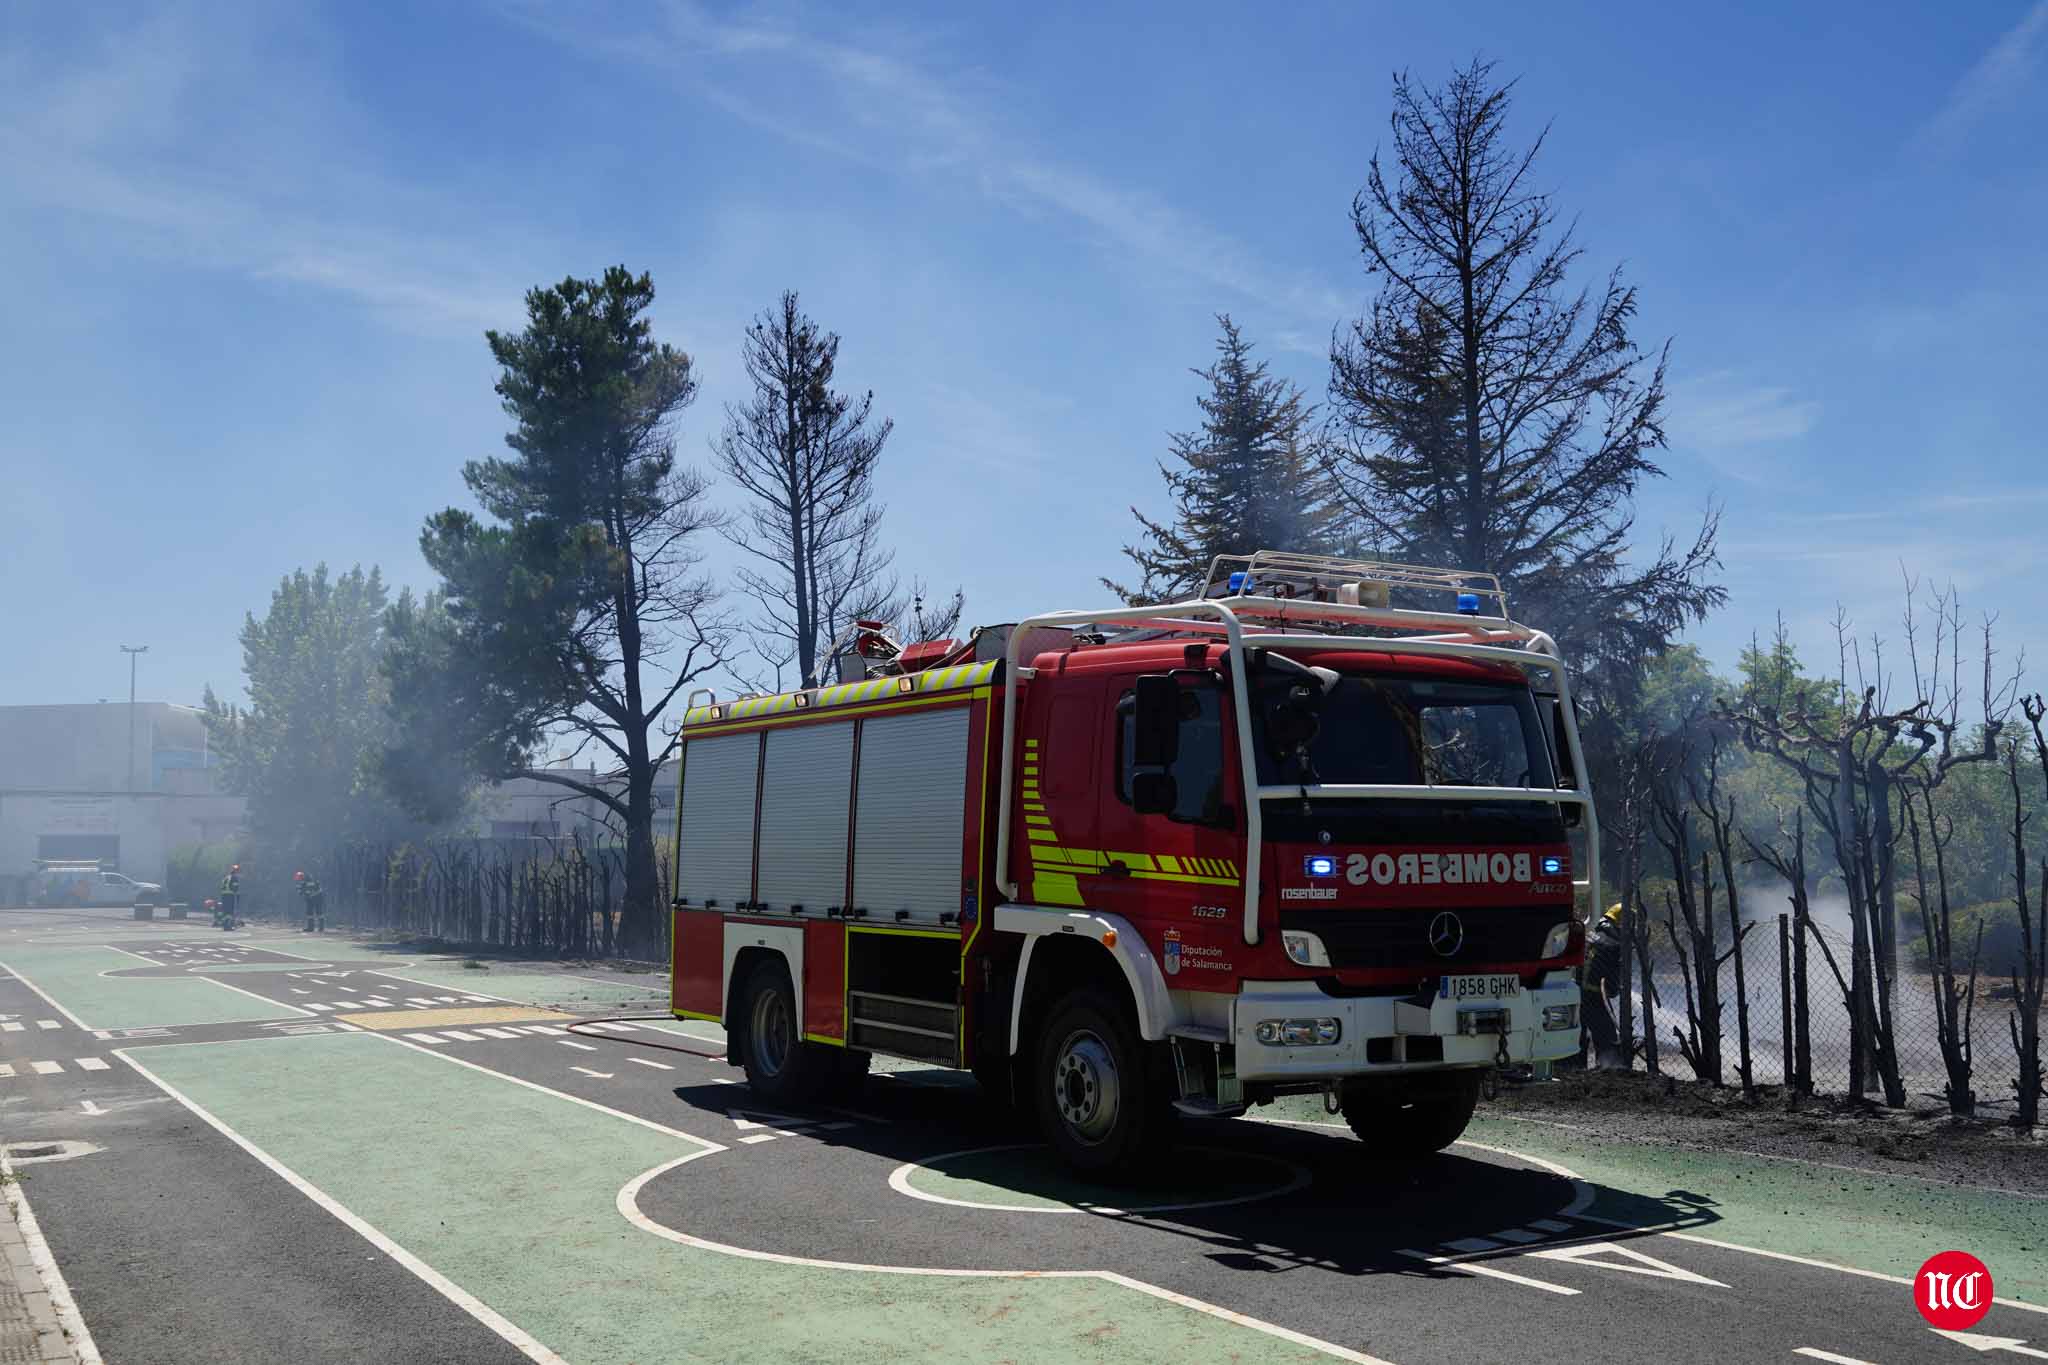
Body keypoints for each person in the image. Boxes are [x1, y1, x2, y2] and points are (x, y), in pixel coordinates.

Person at [1580, 901, 1626, 1068]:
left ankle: (1575, 1070)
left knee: (1579, 1034)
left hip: (1579, 993)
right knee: (1607, 1035)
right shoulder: (1613, 944)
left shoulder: (1593, 933)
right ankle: (1608, 1069)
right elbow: (1611, 980)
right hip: (1595, 995)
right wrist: (1612, 989)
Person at [215, 865, 241, 930]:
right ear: (236, 872)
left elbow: (222, 887)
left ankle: (225, 924)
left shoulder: (226, 877)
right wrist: (237, 897)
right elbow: (235, 888)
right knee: (230, 911)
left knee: (225, 910)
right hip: (230, 896)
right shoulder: (234, 878)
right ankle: (228, 925)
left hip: (224, 896)